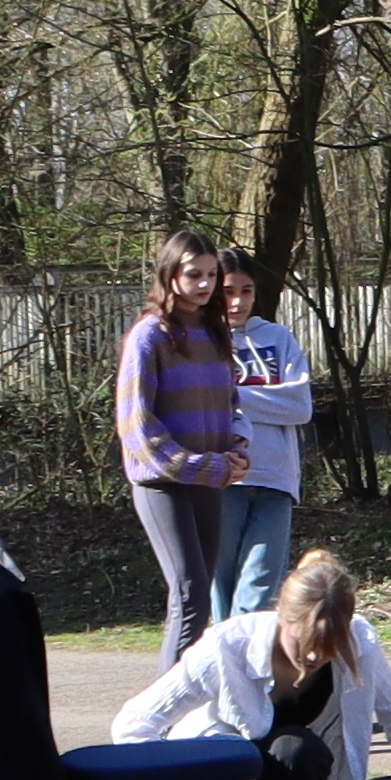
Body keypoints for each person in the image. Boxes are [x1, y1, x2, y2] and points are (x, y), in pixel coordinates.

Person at [111, 542, 391, 780]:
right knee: (288, 748)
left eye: (329, 646)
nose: (314, 658)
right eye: (304, 643)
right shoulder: (227, 646)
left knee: (300, 750)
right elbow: (134, 723)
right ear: (281, 612)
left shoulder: (360, 640)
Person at [113, 226, 252, 667]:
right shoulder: (149, 336)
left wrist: (237, 451)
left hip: (209, 480)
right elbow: (136, 426)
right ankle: (163, 721)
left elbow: (231, 404)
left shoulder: (215, 334)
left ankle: (187, 710)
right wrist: (200, 466)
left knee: (202, 596)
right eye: (195, 275)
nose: (206, 285)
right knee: (190, 594)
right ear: (170, 274)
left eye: (211, 275)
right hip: (163, 483)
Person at [219, 251, 322, 622]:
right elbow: (198, 405)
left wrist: (227, 394)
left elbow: (300, 406)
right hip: (221, 479)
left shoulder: (278, 338)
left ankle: (249, 674)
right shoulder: (199, 343)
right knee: (222, 591)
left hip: (276, 480)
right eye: (228, 291)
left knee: (259, 592)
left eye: (246, 291)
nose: (237, 302)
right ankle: (224, 675)